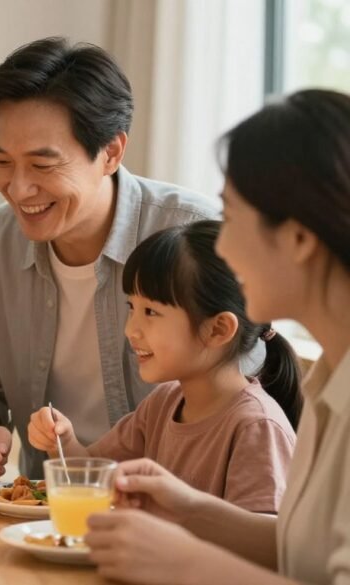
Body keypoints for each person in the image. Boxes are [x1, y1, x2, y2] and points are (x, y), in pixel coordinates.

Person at [83, 89, 350, 584]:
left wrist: (184, 563)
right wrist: (189, 509)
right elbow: (300, 554)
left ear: (298, 238)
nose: (222, 245)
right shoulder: (330, 380)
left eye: (231, 217)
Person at [0, 36, 219, 484]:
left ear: (110, 152)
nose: (18, 188)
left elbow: (240, 397)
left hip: (174, 517)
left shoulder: (196, 235)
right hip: (44, 508)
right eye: (3, 162)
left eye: (42, 165)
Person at [28, 220, 298, 513]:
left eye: (151, 312)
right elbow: (93, 480)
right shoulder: (161, 404)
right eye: (132, 307)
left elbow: (266, 544)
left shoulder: (256, 427)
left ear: (217, 329)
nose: (131, 330)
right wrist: (63, 441)